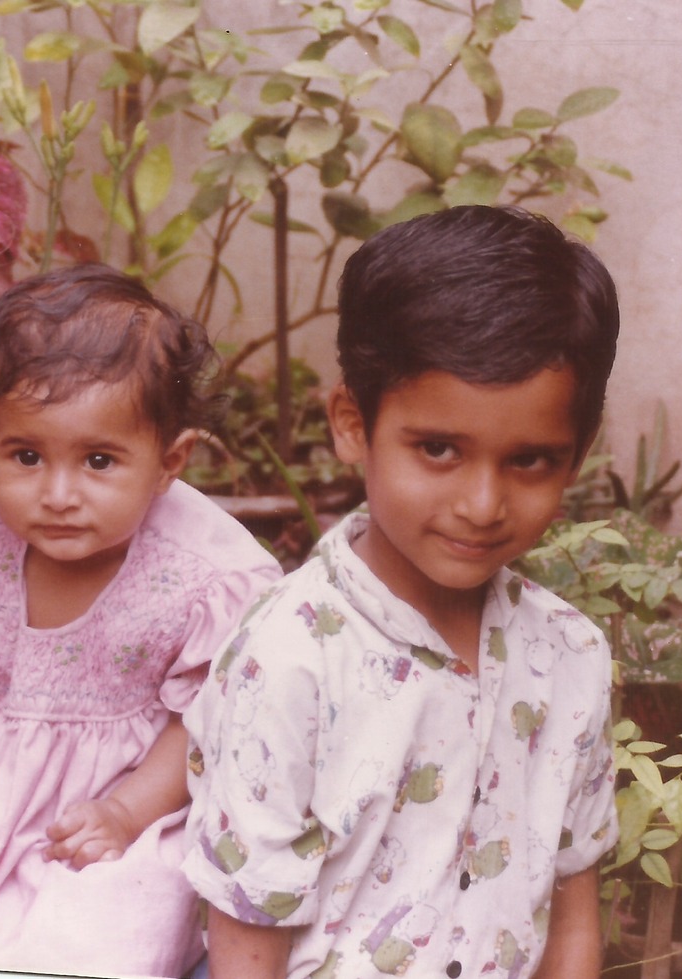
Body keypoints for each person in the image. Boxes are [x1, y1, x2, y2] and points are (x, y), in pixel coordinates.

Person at [182, 205, 621, 979]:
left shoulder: (572, 654)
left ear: (578, 454)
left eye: (530, 460)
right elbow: (248, 933)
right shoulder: (289, 659)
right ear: (354, 422)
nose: (482, 503)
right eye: (440, 448)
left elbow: (572, 910)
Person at [0, 264, 281, 976]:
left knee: (115, 925)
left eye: (99, 460)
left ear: (170, 460)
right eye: (25, 456)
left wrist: (124, 812)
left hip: (136, 789)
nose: (57, 493)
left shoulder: (206, 575)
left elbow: (198, 724)